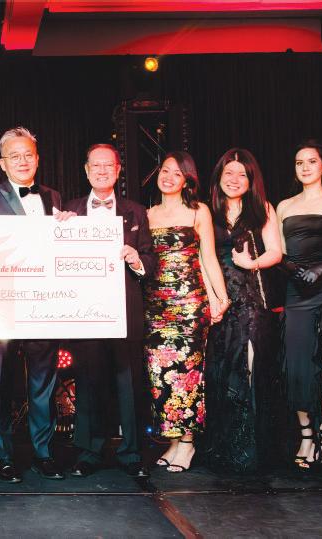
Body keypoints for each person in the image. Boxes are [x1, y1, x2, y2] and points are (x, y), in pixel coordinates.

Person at [0, 126, 75, 482]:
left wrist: (69, 227)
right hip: (2, 308)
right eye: (14, 156)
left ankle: (43, 453)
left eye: (28, 155)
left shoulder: (54, 196)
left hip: (42, 306)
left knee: (43, 384)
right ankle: (3, 457)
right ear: (3, 163)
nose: (22, 161)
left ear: (38, 159)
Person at [62, 144, 155, 478]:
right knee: (89, 382)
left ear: (118, 170)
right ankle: (89, 452)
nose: (102, 171)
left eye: (108, 166)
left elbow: (151, 259)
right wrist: (60, 231)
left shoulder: (136, 212)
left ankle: (131, 452)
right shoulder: (69, 211)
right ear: (86, 171)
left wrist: (137, 260)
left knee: (128, 383)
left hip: (125, 309)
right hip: (85, 311)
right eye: (96, 166)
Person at [144, 151, 229, 474]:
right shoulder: (147, 214)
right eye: (165, 170)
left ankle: (189, 442)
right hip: (155, 307)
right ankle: (173, 439)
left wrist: (220, 297)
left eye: (177, 173)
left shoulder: (198, 211)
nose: (168, 177)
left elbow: (208, 258)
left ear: (186, 180)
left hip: (189, 304)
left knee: (188, 375)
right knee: (161, 376)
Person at [201, 148, 284, 474]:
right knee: (220, 371)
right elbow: (202, 258)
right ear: (219, 177)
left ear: (251, 180)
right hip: (220, 302)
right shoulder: (207, 212)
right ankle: (224, 449)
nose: (234, 180)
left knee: (250, 370)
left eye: (242, 175)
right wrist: (213, 297)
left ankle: (251, 451)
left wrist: (252, 262)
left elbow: (276, 252)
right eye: (229, 173)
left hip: (251, 300)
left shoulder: (263, 208)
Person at [275, 139, 322, 471]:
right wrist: (290, 268)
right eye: (299, 162)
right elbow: (278, 251)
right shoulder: (284, 206)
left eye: (312, 161)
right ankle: (305, 434)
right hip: (297, 291)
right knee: (297, 365)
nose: (305, 167)